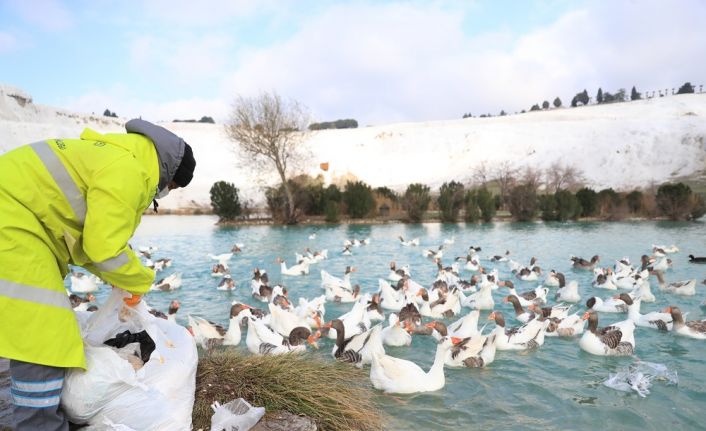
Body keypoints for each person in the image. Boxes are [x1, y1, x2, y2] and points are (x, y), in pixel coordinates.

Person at [0, 119, 196, 430]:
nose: (167, 192)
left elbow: (92, 242)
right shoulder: (129, 171)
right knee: (43, 329)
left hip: (20, 216)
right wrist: (140, 280)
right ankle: (40, 424)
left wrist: (120, 278)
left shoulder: (119, 158)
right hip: (12, 218)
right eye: (173, 187)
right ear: (169, 175)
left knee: (39, 327)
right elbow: (103, 247)